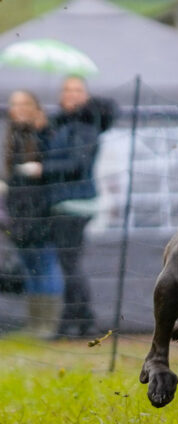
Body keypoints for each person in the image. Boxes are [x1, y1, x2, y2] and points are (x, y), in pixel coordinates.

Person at [45, 76, 116, 336]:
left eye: (77, 90)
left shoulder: (84, 125)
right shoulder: (59, 124)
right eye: (66, 89)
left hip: (75, 203)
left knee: (70, 263)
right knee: (69, 263)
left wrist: (42, 168)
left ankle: (80, 320)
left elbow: (76, 164)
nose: (71, 94)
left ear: (86, 96)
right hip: (62, 201)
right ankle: (77, 320)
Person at [3, 90, 64, 338]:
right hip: (18, 214)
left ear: (35, 107)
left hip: (42, 212)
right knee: (30, 267)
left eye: (23, 104)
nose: (17, 108)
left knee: (46, 264)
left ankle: (48, 326)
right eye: (13, 104)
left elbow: (59, 165)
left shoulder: (46, 133)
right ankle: (34, 323)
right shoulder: (13, 136)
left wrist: (42, 131)